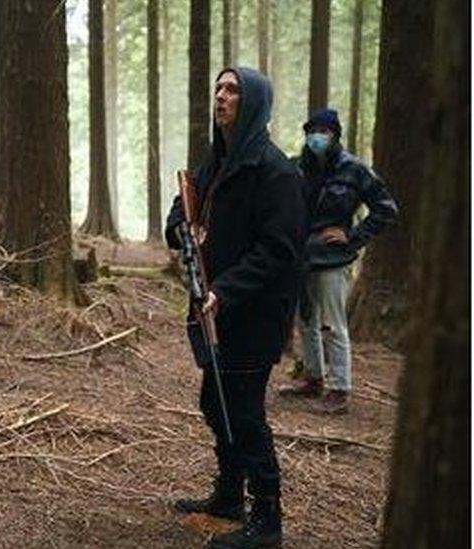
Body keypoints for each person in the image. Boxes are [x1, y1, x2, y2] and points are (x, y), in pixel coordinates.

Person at [166, 67, 305, 548]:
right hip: (214, 313)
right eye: (219, 88)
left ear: (254, 104)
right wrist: (182, 231)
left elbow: (278, 249)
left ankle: (267, 520)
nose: (221, 97)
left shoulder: (276, 172)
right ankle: (229, 496)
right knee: (214, 401)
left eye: (233, 91)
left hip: (253, 315)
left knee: (244, 411)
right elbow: (183, 208)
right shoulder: (217, 161)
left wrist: (225, 290)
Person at [278, 109, 398, 414]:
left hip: (333, 259)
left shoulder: (354, 169)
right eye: (312, 131)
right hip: (301, 257)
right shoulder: (297, 167)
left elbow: (386, 209)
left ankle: (340, 388)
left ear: (335, 135)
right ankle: (312, 378)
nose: (317, 137)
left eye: (324, 131)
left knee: (333, 324)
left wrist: (354, 235)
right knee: (305, 321)